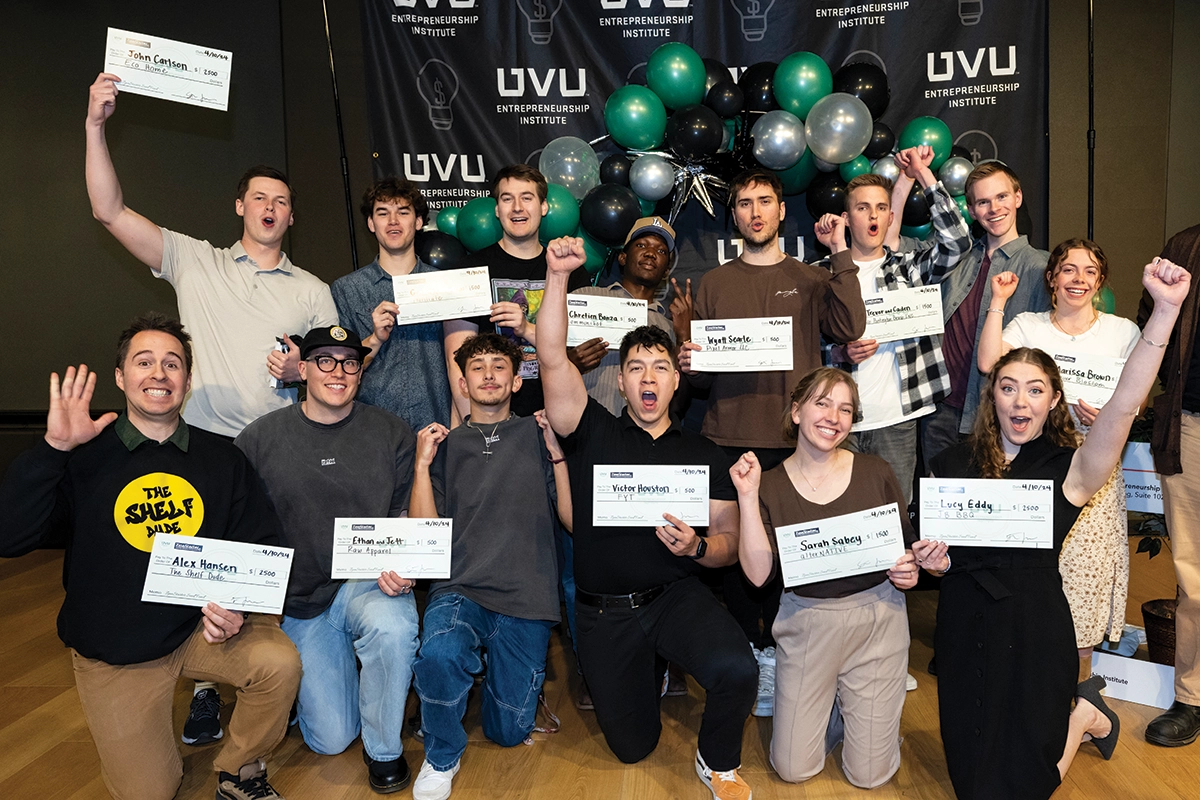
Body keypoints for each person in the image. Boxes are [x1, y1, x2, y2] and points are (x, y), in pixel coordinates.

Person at [86, 72, 337, 737]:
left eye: (282, 201)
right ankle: (202, 684)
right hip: (202, 454)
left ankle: (258, 683)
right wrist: (95, 125)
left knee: (265, 576)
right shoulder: (195, 262)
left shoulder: (312, 290)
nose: (271, 207)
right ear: (240, 207)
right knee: (192, 571)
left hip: (281, 453)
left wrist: (299, 371)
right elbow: (109, 213)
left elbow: (334, 374)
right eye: (260, 197)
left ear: (290, 216)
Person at [911, 257, 1189, 799]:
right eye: (1008, 387)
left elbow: (1126, 404)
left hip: (1035, 625)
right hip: (965, 623)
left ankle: (1081, 717)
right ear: (992, 396)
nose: (1021, 400)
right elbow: (932, 552)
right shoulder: (949, 463)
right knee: (974, 785)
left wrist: (1165, 311)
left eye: (1036, 390)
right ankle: (1084, 714)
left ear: (1054, 400)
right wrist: (931, 562)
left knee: (1026, 784)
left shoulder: (1070, 467)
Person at [0, 313, 300, 800]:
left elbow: (261, 544)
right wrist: (53, 448)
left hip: (199, 632)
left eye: (172, 363)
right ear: (121, 377)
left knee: (277, 663)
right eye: (144, 362)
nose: (159, 374)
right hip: (117, 651)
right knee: (152, 791)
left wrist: (237, 607)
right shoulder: (82, 456)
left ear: (186, 378)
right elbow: (9, 537)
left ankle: (239, 769)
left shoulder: (223, 457)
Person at [540, 236, 758, 800]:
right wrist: (557, 276)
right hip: (604, 615)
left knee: (737, 669)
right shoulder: (592, 430)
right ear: (621, 381)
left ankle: (718, 763)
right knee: (633, 746)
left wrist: (697, 549)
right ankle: (651, 673)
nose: (648, 378)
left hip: (674, 596)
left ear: (675, 380)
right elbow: (550, 358)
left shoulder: (705, 453)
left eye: (660, 367)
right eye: (636, 367)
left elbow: (730, 542)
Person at [680, 168, 867, 716]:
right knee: (740, 561)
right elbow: (701, 383)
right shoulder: (715, 283)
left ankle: (799, 659)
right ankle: (751, 660)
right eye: (743, 203)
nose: (755, 212)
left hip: (795, 444)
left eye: (765, 201)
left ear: (783, 211)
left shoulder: (810, 279)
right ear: (733, 215)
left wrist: (839, 254)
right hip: (729, 438)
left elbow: (852, 327)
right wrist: (692, 364)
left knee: (794, 558)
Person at [234, 325, 418, 793]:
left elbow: (404, 512)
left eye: (349, 362)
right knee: (332, 739)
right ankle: (331, 688)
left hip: (366, 582)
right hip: (300, 599)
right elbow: (241, 526)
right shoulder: (258, 439)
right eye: (325, 361)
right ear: (303, 369)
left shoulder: (392, 432)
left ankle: (384, 751)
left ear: (360, 370)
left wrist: (406, 562)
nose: (338, 372)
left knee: (394, 626)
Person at [729, 368, 919, 787]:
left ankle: (863, 712)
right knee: (794, 769)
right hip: (807, 622)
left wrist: (908, 571)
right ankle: (838, 705)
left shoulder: (876, 470)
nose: (834, 416)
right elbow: (758, 576)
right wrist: (745, 495)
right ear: (796, 411)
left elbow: (905, 553)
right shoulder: (769, 484)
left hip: (878, 620)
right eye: (822, 402)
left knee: (870, 776)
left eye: (845, 408)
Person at [408, 333, 570, 800]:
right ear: (462, 383)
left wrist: (555, 448)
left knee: (507, 731)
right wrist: (421, 466)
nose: (489, 375)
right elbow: (425, 534)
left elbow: (571, 520)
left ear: (517, 381)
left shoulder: (538, 433)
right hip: (463, 588)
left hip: (527, 595)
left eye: (499, 366)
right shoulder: (445, 445)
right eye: (477, 368)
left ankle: (491, 683)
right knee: (440, 654)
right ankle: (441, 754)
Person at [978, 239, 1141, 680]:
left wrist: (1109, 417)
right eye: (1068, 269)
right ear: (1052, 278)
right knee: (1033, 576)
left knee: (1084, 582)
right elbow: (990, 362)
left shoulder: (1123, 332)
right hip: (1036, 462)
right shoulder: (1030, 325)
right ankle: (1030, 680)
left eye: (1089, 271)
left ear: (1100, 281)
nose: (1079, 279)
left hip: (1095, 465)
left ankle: (1080, 692)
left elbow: (1136, 398)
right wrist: (997, 301)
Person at [816, 147, 971, 506]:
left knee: (894, 515)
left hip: (898, 419)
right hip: (836, 422)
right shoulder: (822, 272)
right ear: (846, 218)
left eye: (881, 208)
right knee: (837, 515)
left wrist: (922, 173)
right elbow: (805, 343)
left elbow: (958, 242)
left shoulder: (909, 268)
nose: (873, 215)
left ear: (889, 218)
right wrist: (839, 351)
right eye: (862, 207)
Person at [913, 161, 1051, 468]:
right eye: (983, 202)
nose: (994, 209)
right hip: (941, 410)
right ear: (972, 210)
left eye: (1001, 197)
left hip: (1002, 415)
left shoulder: (1042, 269)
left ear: (1018, 197)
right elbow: (894, 245)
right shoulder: (956, 258)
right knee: (942, 510)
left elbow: (1058, 344)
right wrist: (921, 172)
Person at [443, 165, 591, 419]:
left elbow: (578, 352)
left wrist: (527, 329)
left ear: (543, 207)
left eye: (527, 198)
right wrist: (478, 429)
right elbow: (457, 363)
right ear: (497, 210)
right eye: (507, 198)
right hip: (494, 423)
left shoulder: (570, 271)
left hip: (559, 417)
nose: (517, 208)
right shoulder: (468, 271)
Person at [1137, 222, 1200, 747]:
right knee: (1194, 574)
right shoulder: (1185, 246)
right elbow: (1150, 322)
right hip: (1194, 427)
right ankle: (1192, 695)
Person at [331, 178, 456, 430]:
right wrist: (374, 339)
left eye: (403, 212)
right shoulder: (346, 289)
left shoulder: (446, 286)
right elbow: (338, 372)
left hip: (438, 429)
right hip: (371, 432)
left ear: (419, 222)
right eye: (383, 213)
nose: (393, 221)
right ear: (371, 223)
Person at [570, 215, 684, 415]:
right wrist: (568, 363)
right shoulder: (585, 297)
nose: (650, 253)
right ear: (622, 258)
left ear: (667, 270)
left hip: (641, 437)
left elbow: (677, 399)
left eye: (660, 251)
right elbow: (547, 358)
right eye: (641, 246)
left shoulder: (668, 327)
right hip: (581, 430)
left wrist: (683, 336)